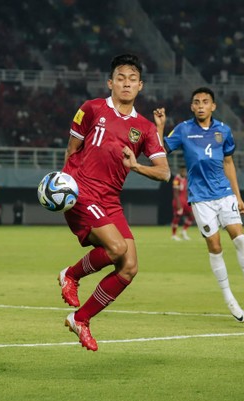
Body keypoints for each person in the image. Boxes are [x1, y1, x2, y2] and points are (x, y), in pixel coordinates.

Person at [58, 54, 170, 351]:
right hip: (82, 191)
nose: (126, 84)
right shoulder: (91, 108)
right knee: (116, 248)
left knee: (129, 267)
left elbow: (164, 172)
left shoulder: (145, 128)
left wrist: (136, 167)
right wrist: (63, 191)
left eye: (132, 79)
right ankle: (70, 274)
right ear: (110, 82)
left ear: (140, 86)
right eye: (120, 78)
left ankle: (80, 319)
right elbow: (71, 150)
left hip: (110, 200)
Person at [158, 87, 244, 323]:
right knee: (215, 247)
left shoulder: (224, 130)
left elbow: (228, 163)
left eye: (205, 102)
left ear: (213, 106)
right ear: (192, 106)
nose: (200, 106)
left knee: (240, 238)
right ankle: (229, 298)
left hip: (224, 193)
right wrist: (160, 126)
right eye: (196, 102)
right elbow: (159, 150)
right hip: (200, 198)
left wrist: (238, 195)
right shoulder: (183, 130)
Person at [171, 165, 194, 241]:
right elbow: (176, 193)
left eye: (185, 171)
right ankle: (173, 235)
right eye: (183, 171)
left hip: (185, 201)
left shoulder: (185, 179)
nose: (184, 173)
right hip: (178, 201)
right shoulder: (176, 179)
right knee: (177, 217)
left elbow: (186, 191)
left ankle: (183, 231)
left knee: (192, 216)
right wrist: (178, 204)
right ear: (180, 171)